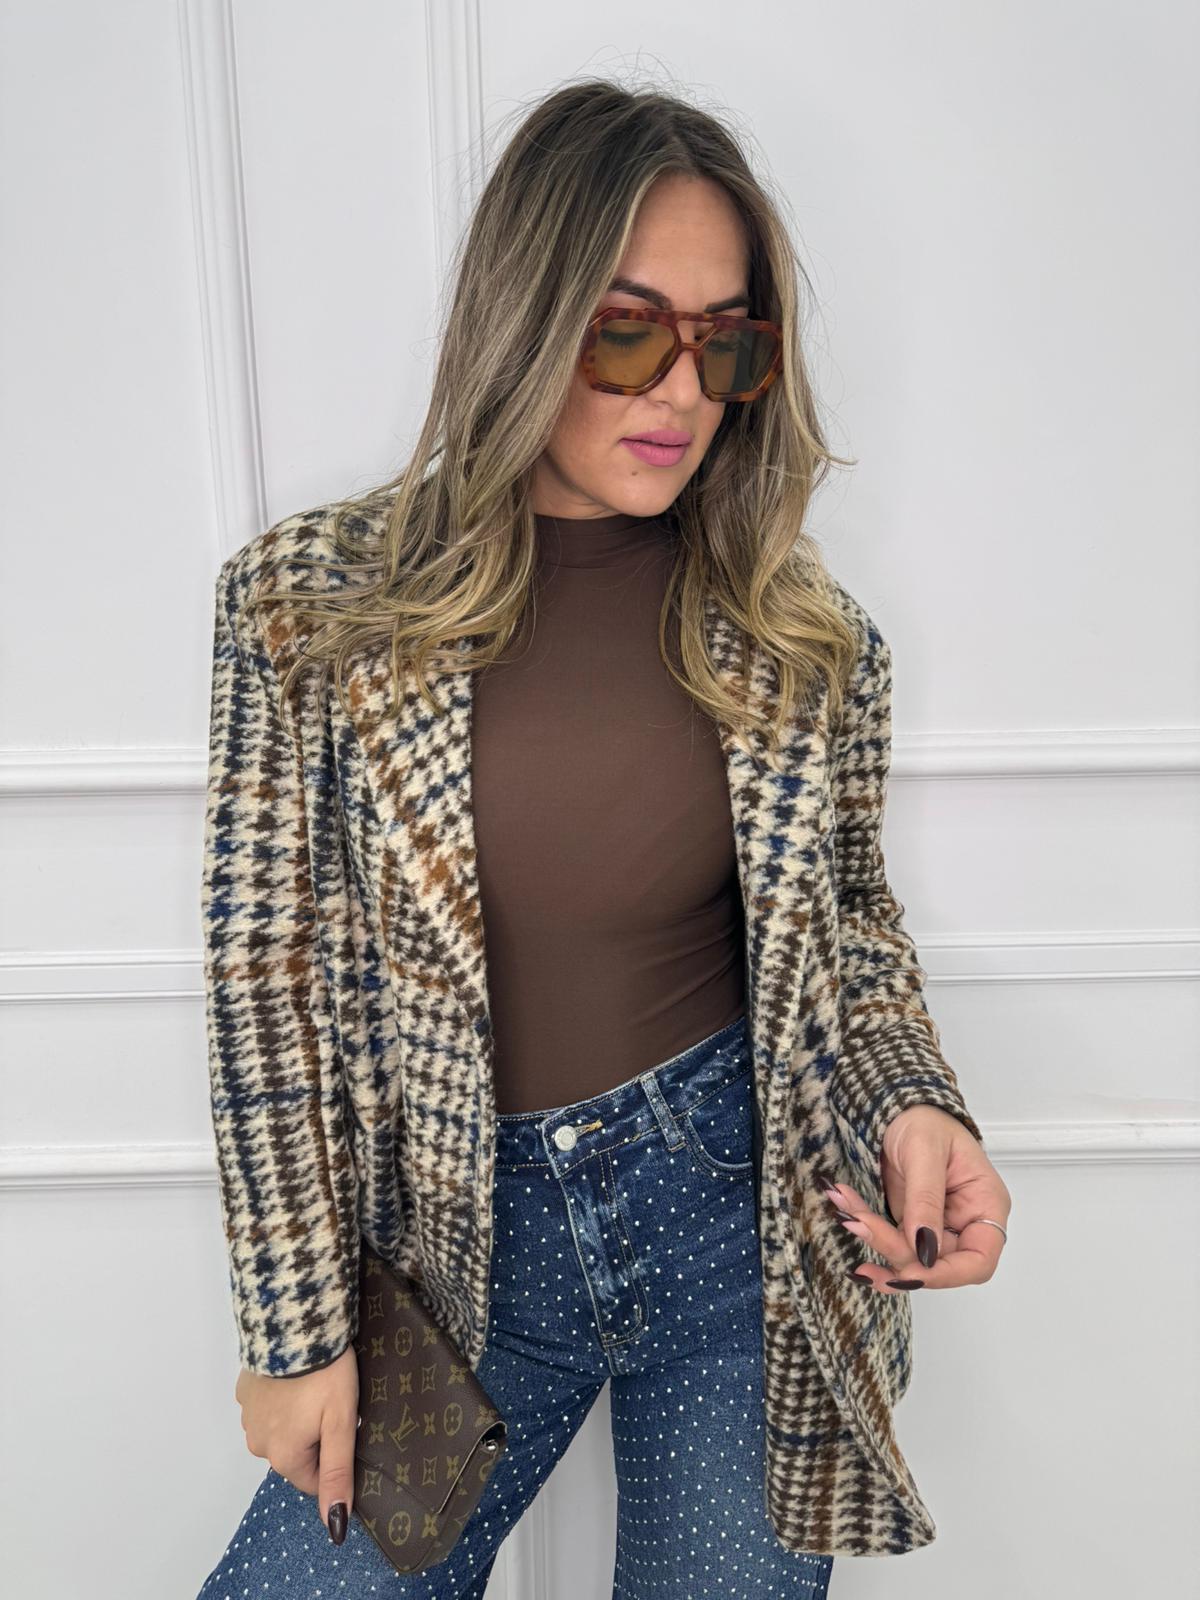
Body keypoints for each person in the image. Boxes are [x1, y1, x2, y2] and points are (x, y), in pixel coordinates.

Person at [195, 78, 1010, 1599]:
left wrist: (917, 1107)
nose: (682, 391)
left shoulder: (806, 638)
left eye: (728, 343)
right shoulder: (309, 607)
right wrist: (294, 1332)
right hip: (457, 1252)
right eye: (628, 331)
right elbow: (267, 986)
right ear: (525, 319)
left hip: (740, 1236)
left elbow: (847, 934)